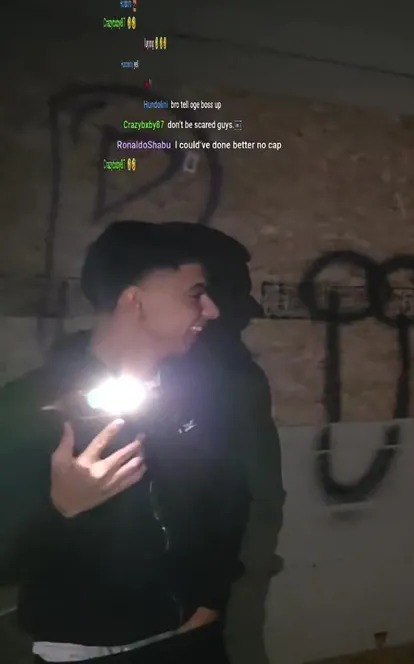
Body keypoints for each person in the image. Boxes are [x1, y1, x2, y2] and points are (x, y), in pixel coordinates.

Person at [0, 221, 250, 663]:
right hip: (80, 651)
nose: (211, 311)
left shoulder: (204, 395)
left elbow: (228, 503)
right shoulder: (28, 405)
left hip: (193, 638)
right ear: (134, 299)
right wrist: (59, 509)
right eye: (195, 294)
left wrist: (210, 601)